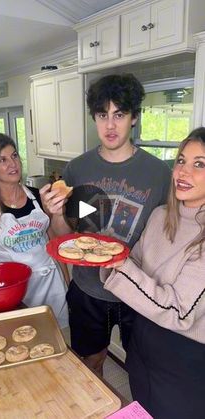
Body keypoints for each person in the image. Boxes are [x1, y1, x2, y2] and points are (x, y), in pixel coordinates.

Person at [40, 73, 171, 374]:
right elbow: (66, 239)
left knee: (141, 367)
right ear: (94, 118)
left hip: (137, 290)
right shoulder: (76, 169)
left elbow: (168, 236)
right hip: (88, 290)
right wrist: (56, 214)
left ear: (134, 118)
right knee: (91, 361)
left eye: (119, 114)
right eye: (102, 115)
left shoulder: (159, 173)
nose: (110, 125)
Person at [100, 127, 205, 419]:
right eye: (181, 161)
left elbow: (178, 312)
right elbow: (133, 261)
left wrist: (120, 267)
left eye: (200, 164)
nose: (183, 171)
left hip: (184, 357)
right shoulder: (161, 215)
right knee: (141, 408)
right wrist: (109, 257)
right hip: (141, 335)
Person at [0, 133, 69, 328]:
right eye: (2, 160)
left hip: (50, 286)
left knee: (53, 342)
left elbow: (52, 241)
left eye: (14, 155)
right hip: (10, 294)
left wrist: (67, 280)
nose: (13, 164)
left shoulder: (36, 196)